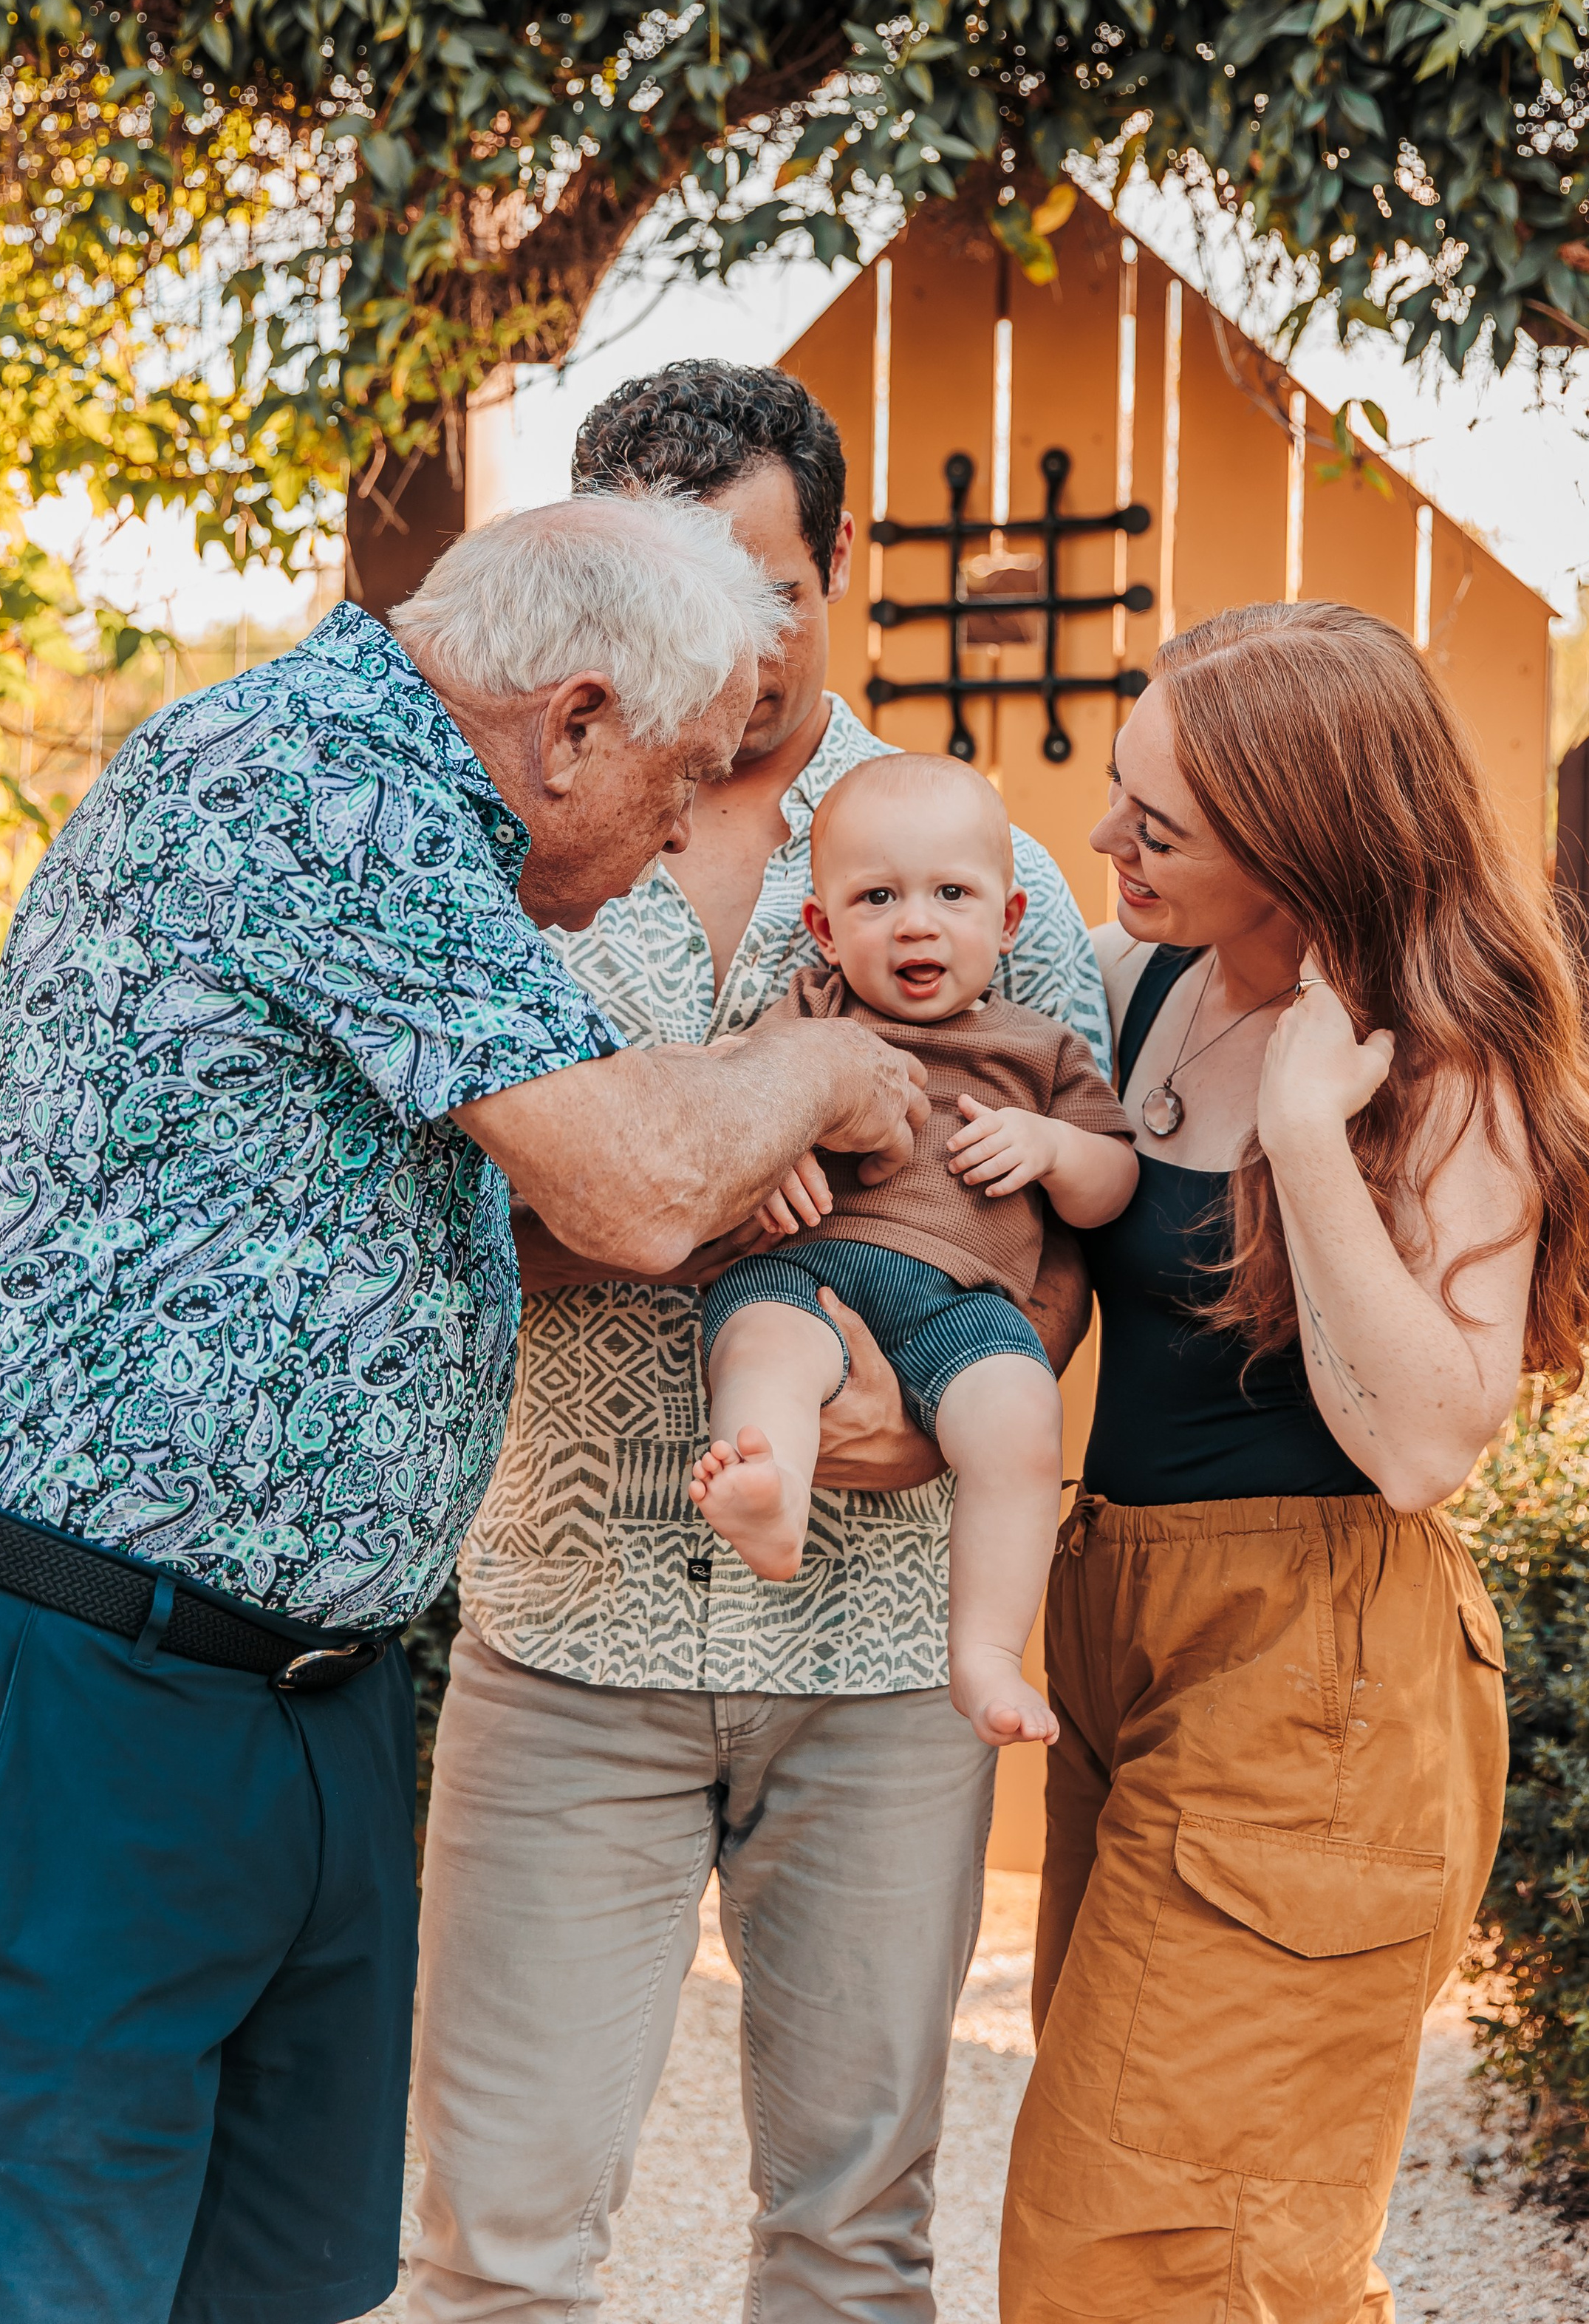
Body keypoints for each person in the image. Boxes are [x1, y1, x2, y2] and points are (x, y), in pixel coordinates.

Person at [0, 491, 927, 2324]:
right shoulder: (319, 782)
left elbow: (440, 1227)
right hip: (93, 1683)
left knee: (273, 2284)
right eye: (680, 776)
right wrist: (823, 1065)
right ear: (573, 721)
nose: (682, 832)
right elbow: (630, 1182)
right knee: (23, 2286)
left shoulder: (424, 817)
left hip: (302, 1694)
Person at [409, 362, 1110, 2324]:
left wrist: (960, 1395)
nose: (729, 637)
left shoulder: (983, 864)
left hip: (884, 1662)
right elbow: (435, 1212)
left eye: (768, 587)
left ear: (840, 563)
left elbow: (1074, 1217)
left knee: (854, 2243)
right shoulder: (496, 857)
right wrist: (686, 1202)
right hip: (568, 1640)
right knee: (494, 2247)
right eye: (675, 587)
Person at [997, 602, 1589, 2324]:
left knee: (1146, 2263)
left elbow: (1425, 1440)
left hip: (1318, 1682)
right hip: (1121, 1632)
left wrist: (1302, 1133)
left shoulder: (1436, 1065)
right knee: (1182, 2238)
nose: (1105, 838)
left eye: (1157, 825)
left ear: (1297, 844)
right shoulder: (1143, 978)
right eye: (1120, 792)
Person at [692, 754, 1137, 1747]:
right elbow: (727, 1096)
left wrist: (1051, 1147)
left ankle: (985, 1654)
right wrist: (770, 1148)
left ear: (1009, 921)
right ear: (824, 929)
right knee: (763, 1348)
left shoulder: (1038, 1049)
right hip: (803, 1267)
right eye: (878, 898)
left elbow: (1112, 1183)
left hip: (962, 1305)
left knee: (1022, 1421)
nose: (917, 925)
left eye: (951, 895)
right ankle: (773, 1492)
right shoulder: (813, 1011)